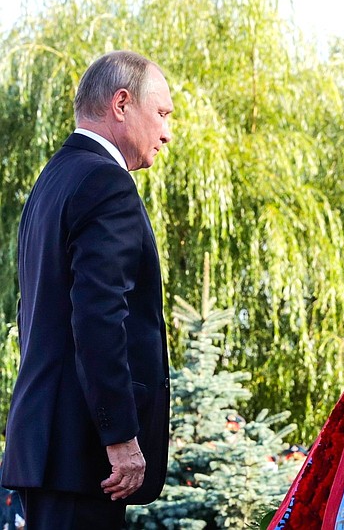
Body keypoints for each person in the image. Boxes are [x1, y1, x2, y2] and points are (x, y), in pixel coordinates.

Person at [0, 50, 174, 528]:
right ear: (121, 104)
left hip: (47, 448)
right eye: (160, 113)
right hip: (84, 457)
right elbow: (98, 316)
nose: (166, 133)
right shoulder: (106, 183)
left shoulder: (53, 179)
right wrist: (119, 437)